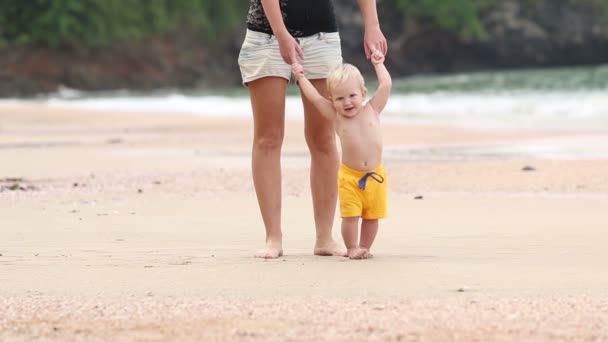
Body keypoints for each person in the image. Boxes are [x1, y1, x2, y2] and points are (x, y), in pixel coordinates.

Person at [238, 0, 387, 258]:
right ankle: (273, 237)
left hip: (321, 36)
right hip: (266, 35)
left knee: (323, 138)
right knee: (268, 138)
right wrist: (282, 34)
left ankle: (325, 238)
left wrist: (372, 25)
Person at [291, 48, 391, 259]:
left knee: (373, 217)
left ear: (363, 94)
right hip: (350, 178)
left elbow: (386, 85)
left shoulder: (372, 109)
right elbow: (316, 99)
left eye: (352, 96)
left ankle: (365, 247)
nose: (347, 102)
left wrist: (378, 64)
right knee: (351, 216)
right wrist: (301, 78)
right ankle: (352, 247)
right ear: (333, 100)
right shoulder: (337, 117)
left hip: (376, 176)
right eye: (340, 98)